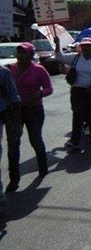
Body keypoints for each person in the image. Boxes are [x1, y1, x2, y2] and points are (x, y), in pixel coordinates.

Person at [9, 42, 53, 187]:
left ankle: (42, 166)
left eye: (24, 52)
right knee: (14, 142)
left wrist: (40, 93)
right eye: (19, 52)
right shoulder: (10, 69)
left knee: (35, 140)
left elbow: (49, 88)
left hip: (34, 109)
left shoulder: (39, 70)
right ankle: (14, 179)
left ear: (31, 55)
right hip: (15, 111)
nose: (20, 55)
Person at [56, 37, 91, 148]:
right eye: (84, 46)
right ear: (81, 48)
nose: (86, 48)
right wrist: (57, 44)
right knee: (78, 115)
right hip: (78, 91)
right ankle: (75, 140)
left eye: (88, 46)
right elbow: (59, 57)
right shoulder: (76, 57)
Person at [0, 65, 21, 194]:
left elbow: (14, 97)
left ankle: (14, 177)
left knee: (13, 145)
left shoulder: (3, 72)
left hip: (5, 113)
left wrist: (17, 122)